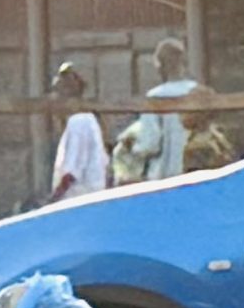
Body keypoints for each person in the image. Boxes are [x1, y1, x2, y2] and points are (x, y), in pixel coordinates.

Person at [114, 38, 204, 185]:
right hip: (195, 173)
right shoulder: (196, 92)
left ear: (160, 65)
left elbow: (151, 143)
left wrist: (132, 148)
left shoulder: (155, 97)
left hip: (164, 177)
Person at [49, 64, 107, 201]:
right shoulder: (87, 120)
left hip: (79, 201)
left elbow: (71, 174)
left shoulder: (79, 122)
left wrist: (52, 200)